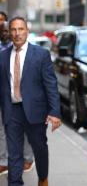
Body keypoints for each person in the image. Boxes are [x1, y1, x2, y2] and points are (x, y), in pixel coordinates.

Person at [0, 16, 62, 186]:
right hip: (11, 111)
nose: (17, 33)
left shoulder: (41, 54)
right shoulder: (3, 57)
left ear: (27, 31)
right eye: (13, 29)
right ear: (9, 33)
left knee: (39, 148)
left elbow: (51, 85)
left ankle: (43, 178)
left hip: (36, 112)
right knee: (14, 153)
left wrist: (54, 112)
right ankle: (15, 182)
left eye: (20, 29)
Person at [0, 21, 35, 175]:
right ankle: (5, 161)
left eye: (13, 30)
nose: (8, 33)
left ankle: (27, 159)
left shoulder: (27, 50)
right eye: (6, 30)